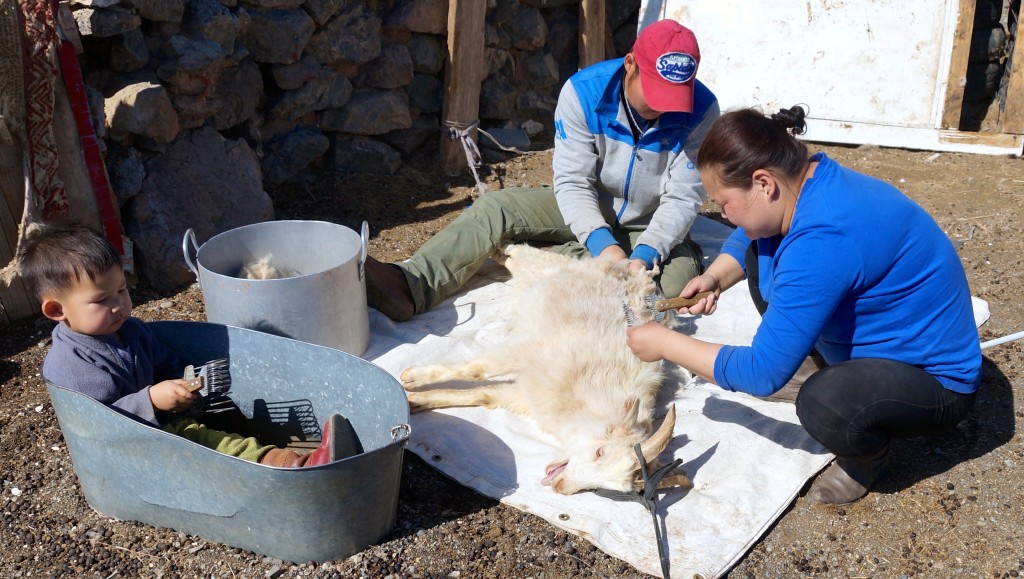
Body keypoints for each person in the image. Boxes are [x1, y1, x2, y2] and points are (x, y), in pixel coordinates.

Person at [625, 105, 982, 504]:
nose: (722, 214)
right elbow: (749, 234)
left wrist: (663, 342)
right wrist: (714, 277)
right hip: (876, 345)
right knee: (762, 253)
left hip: (934, 381)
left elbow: (761, 375)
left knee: (824, 403)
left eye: (723, 203)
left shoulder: (823, 240)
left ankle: (867, 455)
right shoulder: (804, 177)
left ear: (763, 183)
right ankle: (816, 363)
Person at [366, 18, 720, 321]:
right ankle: (412, 285)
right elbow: (573, 182)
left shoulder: (702, 111)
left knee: (671, 288)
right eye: (655, 95)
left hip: (648, 225)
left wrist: (643, 256)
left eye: (673, 98)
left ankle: (537, 252)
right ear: (630, 63)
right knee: (495, 209)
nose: (661, 110)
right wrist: (606, 248)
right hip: (588, 207)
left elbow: (683, 196)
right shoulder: (583, 93)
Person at [19, 222, 342, 468]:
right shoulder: (72, 364)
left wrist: (186, 384)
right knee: (213, 444)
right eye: (102, 300)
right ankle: (290, 464)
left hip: (163, 420)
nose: (119, 304)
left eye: (121, 291)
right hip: (133, 445)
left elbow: (164, 361)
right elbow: (100, 423)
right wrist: (151, 400)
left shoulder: (132, 331)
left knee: (224, 422)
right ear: (57, 310)